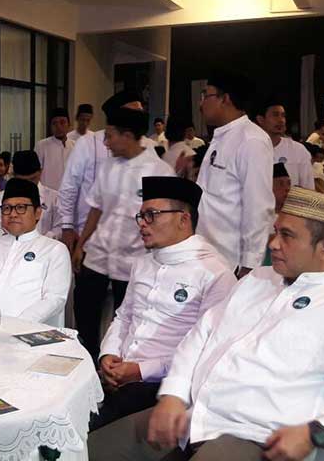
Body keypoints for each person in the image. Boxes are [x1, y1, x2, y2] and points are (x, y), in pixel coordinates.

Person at [92, 187, 324, 461]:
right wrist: (173, 394)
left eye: (286, 235)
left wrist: (316, 433)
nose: (273, 244)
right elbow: (200, 336)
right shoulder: (258, 280)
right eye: (275, 232)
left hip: (258, 436)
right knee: (88, 451)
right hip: (192, 415)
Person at [92, 176, 235, 431]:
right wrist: (109, 353)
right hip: (119, 374)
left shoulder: (214, 273)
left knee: (85, 436)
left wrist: (140, 371)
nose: (142, 224)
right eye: (141, 216)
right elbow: (124, 316)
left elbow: (203, 353)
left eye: (152, 215)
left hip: (162, 388)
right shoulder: (143, 262)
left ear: (183, 219)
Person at [72, 106, 174, 361]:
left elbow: (166, 222)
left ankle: (116, 367)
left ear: (127, 136)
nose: (105, 143)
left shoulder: (158, 171)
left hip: (134, 261)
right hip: (98, 254)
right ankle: (87, 361)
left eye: (110, 136)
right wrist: (81, 244)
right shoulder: (108, 166)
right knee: (84, 312)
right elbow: (96, 208)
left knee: (126, 321)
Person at [195, 71, 275, 277]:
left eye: (206, 95)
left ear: (225, 99)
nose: (201, 104)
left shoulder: (251, 140)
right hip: (205, 255)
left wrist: (249, 265)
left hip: (230, 262)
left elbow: (258, 207)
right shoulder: (221, 137)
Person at [0, 179, 71, 327]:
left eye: (20, 208)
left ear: (38, 213)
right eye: (7, 208)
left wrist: (15, 325)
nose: (12, 214)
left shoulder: (54, 250)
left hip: (27, 332)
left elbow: (54, 299)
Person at [58, 90, 142, 252]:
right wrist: (67, 226)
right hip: (88, 235)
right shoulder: (89, 143)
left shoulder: (147, 146)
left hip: (131, 239)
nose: (140, 116)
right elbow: (69, 186)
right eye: (135, 112)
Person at [0, 150, 61, 239]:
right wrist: (9, 239)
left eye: (32, 179)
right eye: (23, 180)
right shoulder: (2, 197)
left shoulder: (53, 197)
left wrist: (43, 240)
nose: (28, 184)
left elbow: (59, 227)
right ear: (14, 176)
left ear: (40, 172)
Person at [255, 98, 314, 189]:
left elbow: (308, 189)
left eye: (283, 116)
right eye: (275, 115)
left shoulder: (298, 150)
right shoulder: (250, 149)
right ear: (261, 119)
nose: (281, 120)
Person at [35, 108, 75, 191]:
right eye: (54, 123)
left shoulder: (75, 146)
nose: (58, 126)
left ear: (69, 125)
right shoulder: (42, 145)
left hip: (70, 193)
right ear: (50, 126)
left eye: (62, 122)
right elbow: (36, 173)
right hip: (48, 194)